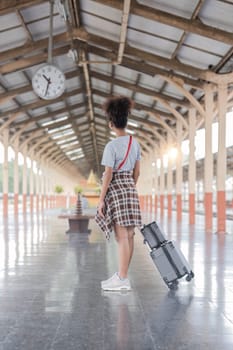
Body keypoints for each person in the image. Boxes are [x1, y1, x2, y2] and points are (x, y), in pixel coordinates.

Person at [95, 96, 142, 291]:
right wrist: (129, 186)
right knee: (129, 236)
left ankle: (122, 279)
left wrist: (101, 200)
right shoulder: (135, 143)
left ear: (111, 124)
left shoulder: (111, 146)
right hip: (131, 188)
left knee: (121, 237)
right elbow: (137, 172)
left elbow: (107, 175)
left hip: (115, 190)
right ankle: (123, 276)